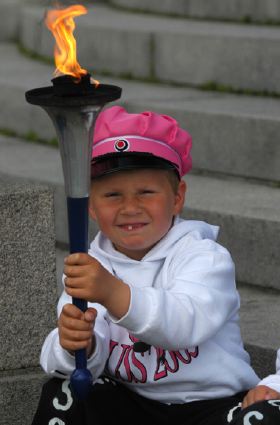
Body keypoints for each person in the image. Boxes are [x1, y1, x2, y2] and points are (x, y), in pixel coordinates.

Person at [32, 106, 277, 425]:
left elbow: (184, 322)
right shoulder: (91, 267)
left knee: (263, 417)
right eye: (112, 195)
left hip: (211, 406)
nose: (130, 207)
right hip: (133, 404)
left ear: (177, 198)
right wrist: (79, 344)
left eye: (146, 193)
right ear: (91, 207)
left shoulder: (204, 257)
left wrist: (113, 293)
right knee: (64, 389)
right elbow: (74, 365)